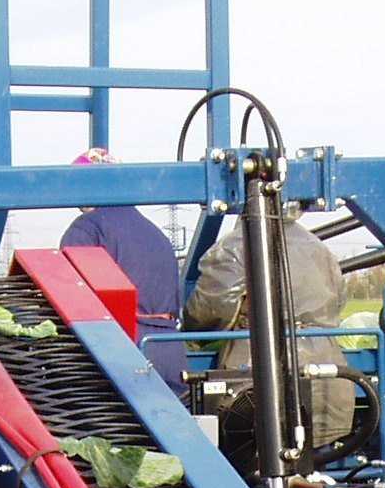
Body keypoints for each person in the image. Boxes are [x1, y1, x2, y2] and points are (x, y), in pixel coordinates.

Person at [184, 207, 353, 451]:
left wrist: (192, 335)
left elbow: (209, 310)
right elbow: (338, 303)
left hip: (257, 384)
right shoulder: (320, 248)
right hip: (331, 387)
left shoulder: (235, 247)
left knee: (250, 462)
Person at [60, 150, 188, 393]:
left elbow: (71, 295)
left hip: (124, 349)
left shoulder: (87, 229)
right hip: (170, 349)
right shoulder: (155, 234)